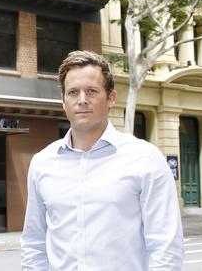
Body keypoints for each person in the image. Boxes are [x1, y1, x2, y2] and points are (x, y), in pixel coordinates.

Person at [21, 50, 183, 270]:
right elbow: (34, 243)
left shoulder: (145, 159)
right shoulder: (42, 163)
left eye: (92, 91)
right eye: (73, 92)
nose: (82, 100)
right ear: (63, 101)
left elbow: (166, 247)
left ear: (111, 98)